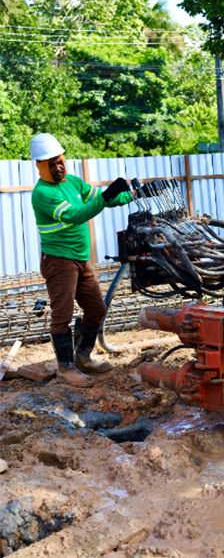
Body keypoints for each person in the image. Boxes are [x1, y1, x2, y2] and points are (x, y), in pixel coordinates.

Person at [29, 133, 133, 387]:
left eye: (59, 161)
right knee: (62, 315)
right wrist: (104, 197)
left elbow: (100, 198)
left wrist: (130, 196)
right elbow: (75, 215)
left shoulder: (73, 182)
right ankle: (65, 369)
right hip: (59, 261)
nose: (57, 167)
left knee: (97, 308)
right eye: (50, 164)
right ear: (40, 166)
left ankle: (83, 356)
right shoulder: (42, 193)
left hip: (80, 258)